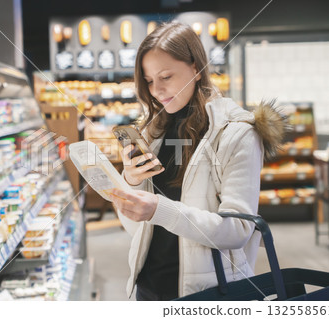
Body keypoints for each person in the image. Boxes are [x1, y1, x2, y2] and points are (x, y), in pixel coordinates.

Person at [110, 22, 285, 301]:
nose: (156, 90)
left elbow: (238, 230)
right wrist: (132, 183)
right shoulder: (151, 133)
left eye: (166, 76)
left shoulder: (236, 133)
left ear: (196, 68)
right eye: (150, 80)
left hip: (207, 294)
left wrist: (159, 209)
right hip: (147, 289)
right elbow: (137, 230)